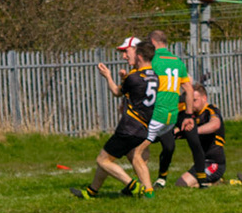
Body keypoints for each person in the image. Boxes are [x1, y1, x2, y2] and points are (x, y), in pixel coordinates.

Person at [72, 38, 157, 201]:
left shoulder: (134, 77)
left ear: (138, 55)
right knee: (121, 157)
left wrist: (108, 76)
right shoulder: (155, 76)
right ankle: (93, 191)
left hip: (129, 127)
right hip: (143, 128)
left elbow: (117, 92)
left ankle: (133, 186)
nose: (125, 56)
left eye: (127, 52)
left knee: (102, 160)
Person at [147, 31, 188, 189]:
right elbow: (189, 87)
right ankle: (143, 181)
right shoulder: (177, 61)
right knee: (162, 146)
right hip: (166, 113)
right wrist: (189, 114)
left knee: (154, 146)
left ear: (152, 42)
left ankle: (160, 178)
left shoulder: (153, 60)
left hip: (158, 112)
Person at [181, 84, 228, 187]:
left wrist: (194, 131)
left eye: (194, 100)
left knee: (182, 184)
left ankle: (217, 183)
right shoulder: (192, 115)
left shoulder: (211, 110)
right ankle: (214, 183)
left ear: (204, 98)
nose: (191, 104)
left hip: (215, 164)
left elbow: (215, 124)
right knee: (181, 183)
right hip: (202, 163)